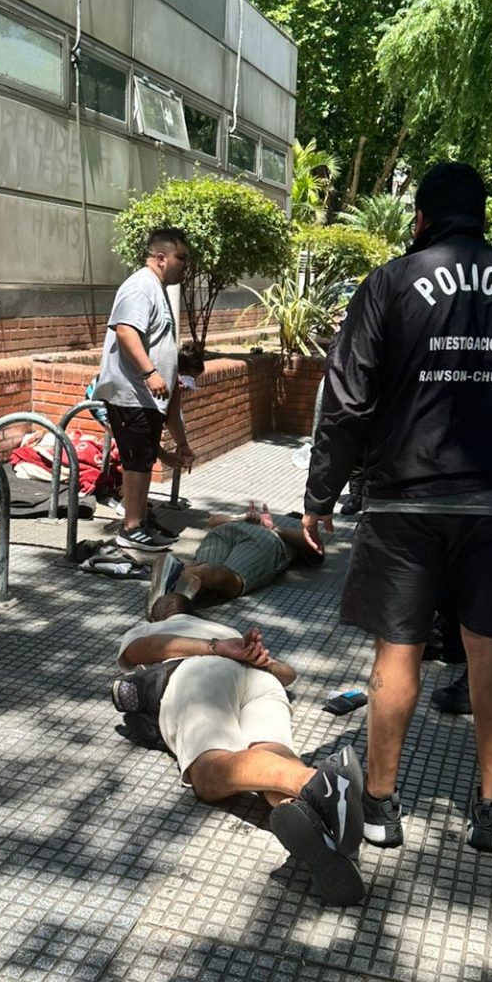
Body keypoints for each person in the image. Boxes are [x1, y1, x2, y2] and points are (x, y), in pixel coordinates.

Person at [301, 160, 492, 855]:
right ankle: (491, 808)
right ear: (485, 218)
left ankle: (380, 805)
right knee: (490, 648)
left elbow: (347, 401)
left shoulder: (390, 284)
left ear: (419, 218)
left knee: (398, 650)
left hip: (404, 500)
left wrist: (320, 495)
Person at [114, 604, 365, 905]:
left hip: (200, 673)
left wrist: (217, 649)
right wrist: (257, 659)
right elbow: (288, 674)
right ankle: (327, 831)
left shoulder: (159, 627)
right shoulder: (225, 630)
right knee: (272, 754)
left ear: (161, 613)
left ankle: (317, 781)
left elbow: (143, 649)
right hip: (261, 681)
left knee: (208, 772)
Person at [93, 229, 195, 552]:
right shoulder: (140, 286)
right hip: (131, 392)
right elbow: (125, 331)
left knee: (143, 456)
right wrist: (150, 372)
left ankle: (140, 520)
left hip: (145, 397)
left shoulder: (158, 289)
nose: (185, 265)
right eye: (182, 258)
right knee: (136, 461)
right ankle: (131, 527)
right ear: (161, 258)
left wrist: (176, 449)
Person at [146, 502, 324, 615]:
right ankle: (177, 581)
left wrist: (262, 523)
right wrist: (249, 520)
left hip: (239, 533)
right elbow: (313, 545)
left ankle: (173, 586)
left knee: (207, 570)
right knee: (231, 580)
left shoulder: (283, 521)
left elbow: (314, 545)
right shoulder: (288, 523)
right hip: (258, 538)